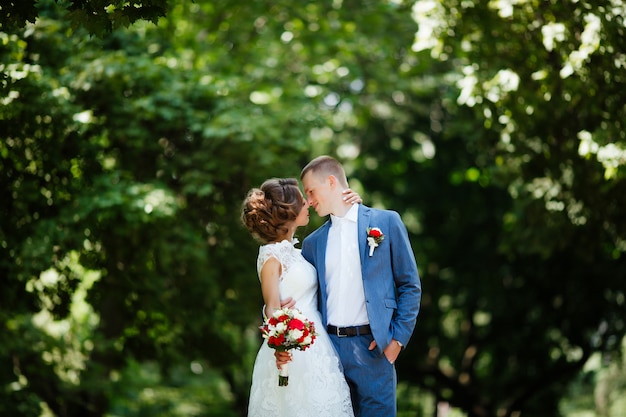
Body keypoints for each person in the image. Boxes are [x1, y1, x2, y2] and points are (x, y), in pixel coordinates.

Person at [279, 155, 422, 417]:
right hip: (328, 351)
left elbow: (410, 284)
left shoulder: (386, 222)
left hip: (374, 348)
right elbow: (304, 294)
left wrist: (397, 340)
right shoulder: (312, 243)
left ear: (332, 182)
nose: (308, 200)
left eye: (311, 191)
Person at [241, 177, 361, 417]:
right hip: (291, 350)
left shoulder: (298, 251)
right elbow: (272, 308)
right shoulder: (270, 255)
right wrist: (281, 346)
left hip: (318, 346)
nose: (308, 204)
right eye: (302, 201)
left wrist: (353, 205)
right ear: (289, 212)